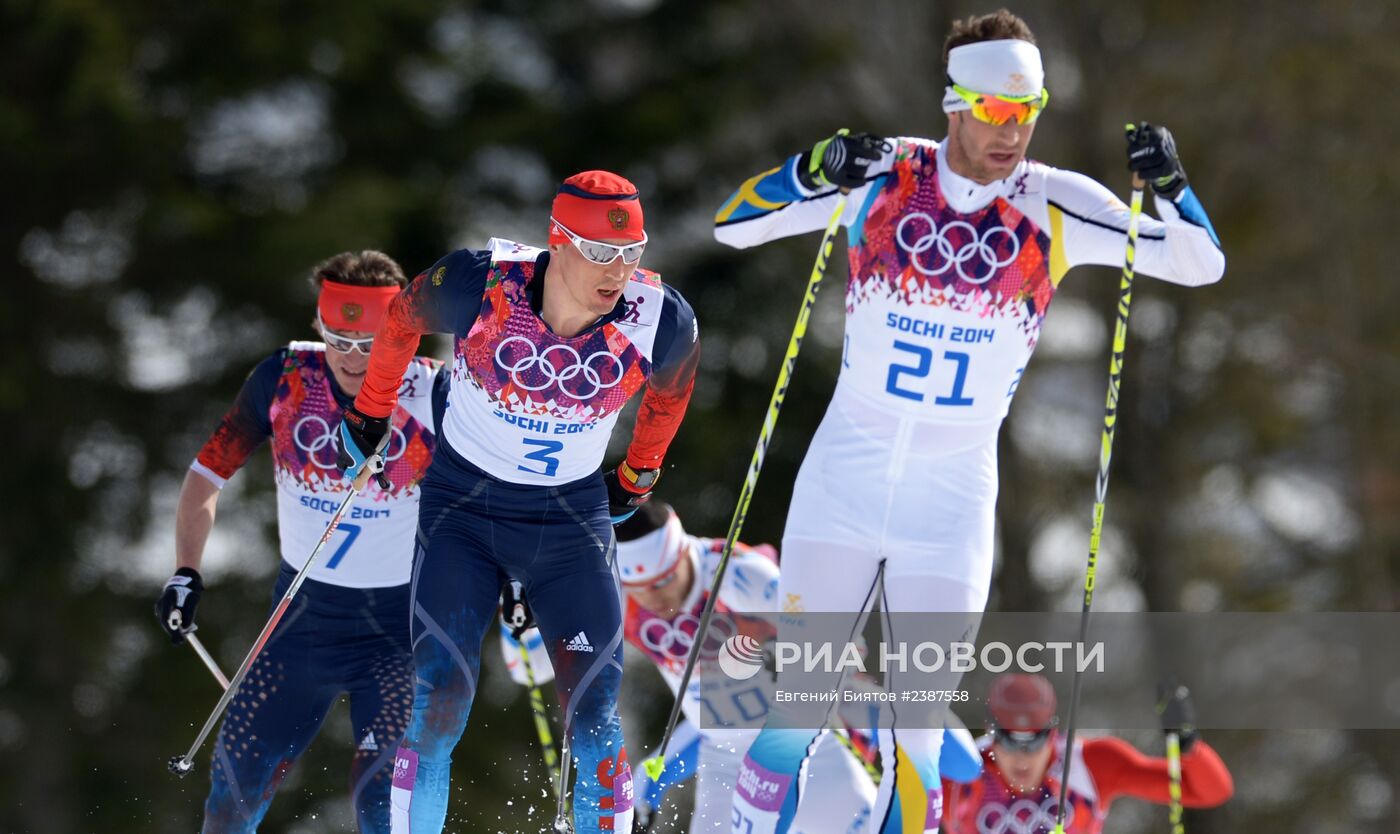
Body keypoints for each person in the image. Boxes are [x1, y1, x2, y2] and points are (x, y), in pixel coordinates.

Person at [712, 9, 1224, 834]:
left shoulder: (1055, 203)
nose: (1010, 132)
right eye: (993, 112)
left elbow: (1199, 264)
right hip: (843, 481)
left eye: (1027, 113)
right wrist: (811, 170)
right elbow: (733, 225)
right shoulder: (885, 176)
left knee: (918, 724)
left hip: (950, 504)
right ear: (954, 103)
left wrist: (1172, 185)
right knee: (800, 708)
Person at [336, 171, 701, 834]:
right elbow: (399, 320)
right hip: (463, 514)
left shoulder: (662, 318)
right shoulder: (479, 284)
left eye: (631, 251)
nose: (617, 270)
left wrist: (640, 473)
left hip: (566, 525)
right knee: (439, 700)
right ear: (557, 241)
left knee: (594, 722)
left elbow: (670, 396)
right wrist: (370, 410)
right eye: (599, 251)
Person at [154, 251, 443, 832]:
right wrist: (186, 570)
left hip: (400, 635)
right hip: (297, 628)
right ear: (318, 327)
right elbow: (206, 476)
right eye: (340, 339)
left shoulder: (434, 389)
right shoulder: (285, 378)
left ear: (402, 336)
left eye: (373, 343)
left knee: (384, 809)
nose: (355, 359)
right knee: (230, 803)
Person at [506, 501, 878, 833]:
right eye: (640, 586)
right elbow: (527, 667)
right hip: (724, 757)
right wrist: (517, 617)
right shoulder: (616, 596)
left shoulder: (738, 573)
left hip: (801, 747)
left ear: (683, 554)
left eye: (665, 579)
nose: (655, 597)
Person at [941, 674, 1233, 834]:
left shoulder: (1090, 763)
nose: (1022, 757)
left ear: (1052, 732)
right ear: (991, 733)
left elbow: (1211, 792)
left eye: (1033, 742)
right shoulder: (960, 769)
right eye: (1008, 742)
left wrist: (1188, 745)